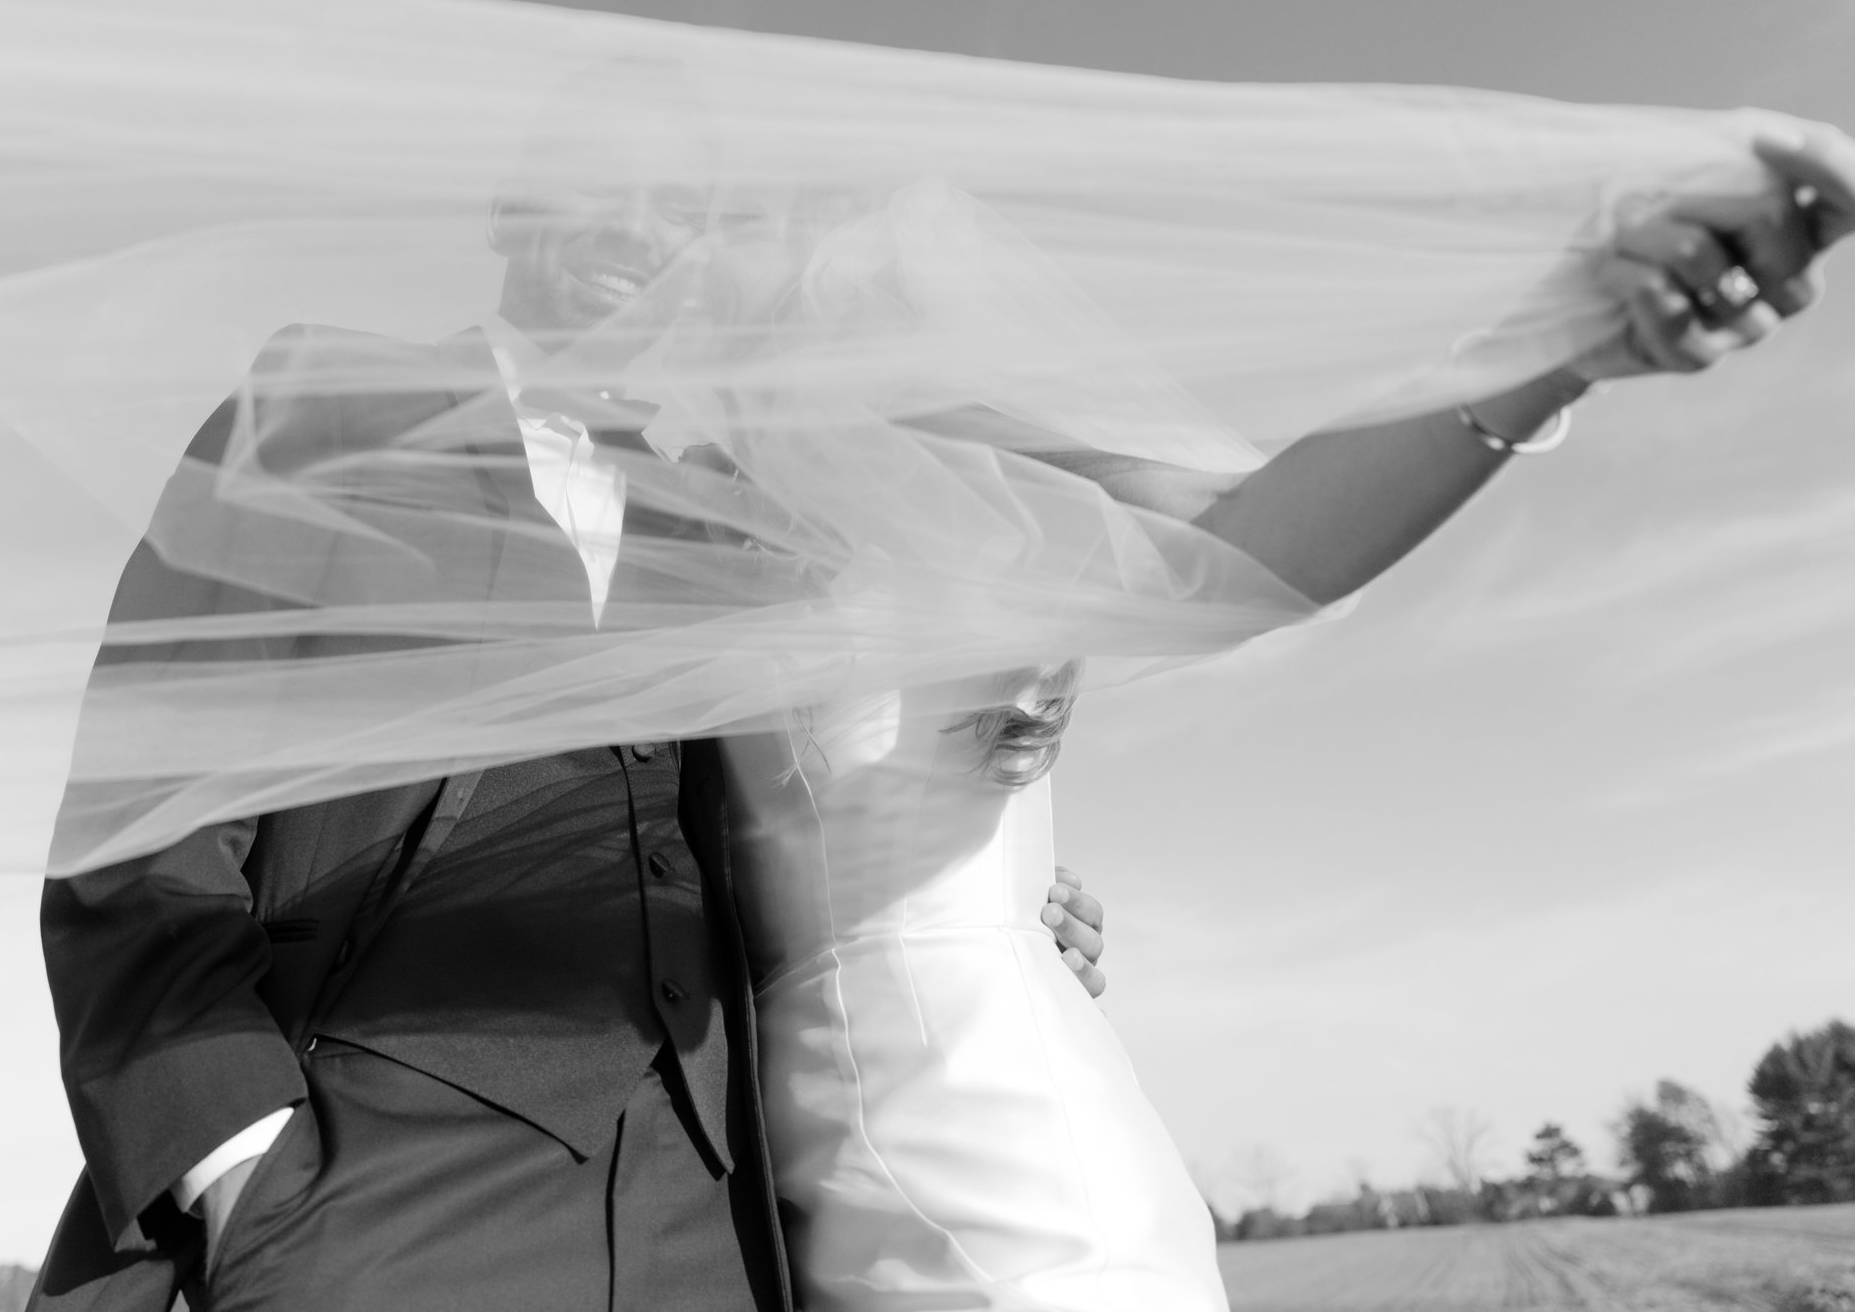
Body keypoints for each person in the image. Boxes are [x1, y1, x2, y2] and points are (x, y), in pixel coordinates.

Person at [24, 78, 1125, 1312]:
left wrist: (981, 904)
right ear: (513, 206)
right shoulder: (330, 406)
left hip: (718, 1226)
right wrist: (240, 1165)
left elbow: (776, 842)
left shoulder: (731, 528)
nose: (636, 232)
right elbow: (142, 805)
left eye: (679, 211)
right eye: (606, 187)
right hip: (376, 1200)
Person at [706, 125, 1853, 1311]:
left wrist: (1553, 347)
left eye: (696, 222)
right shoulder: (681, 533)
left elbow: (1242, 542)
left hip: (975, 1143)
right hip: (801, 1155)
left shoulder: (948, 449)